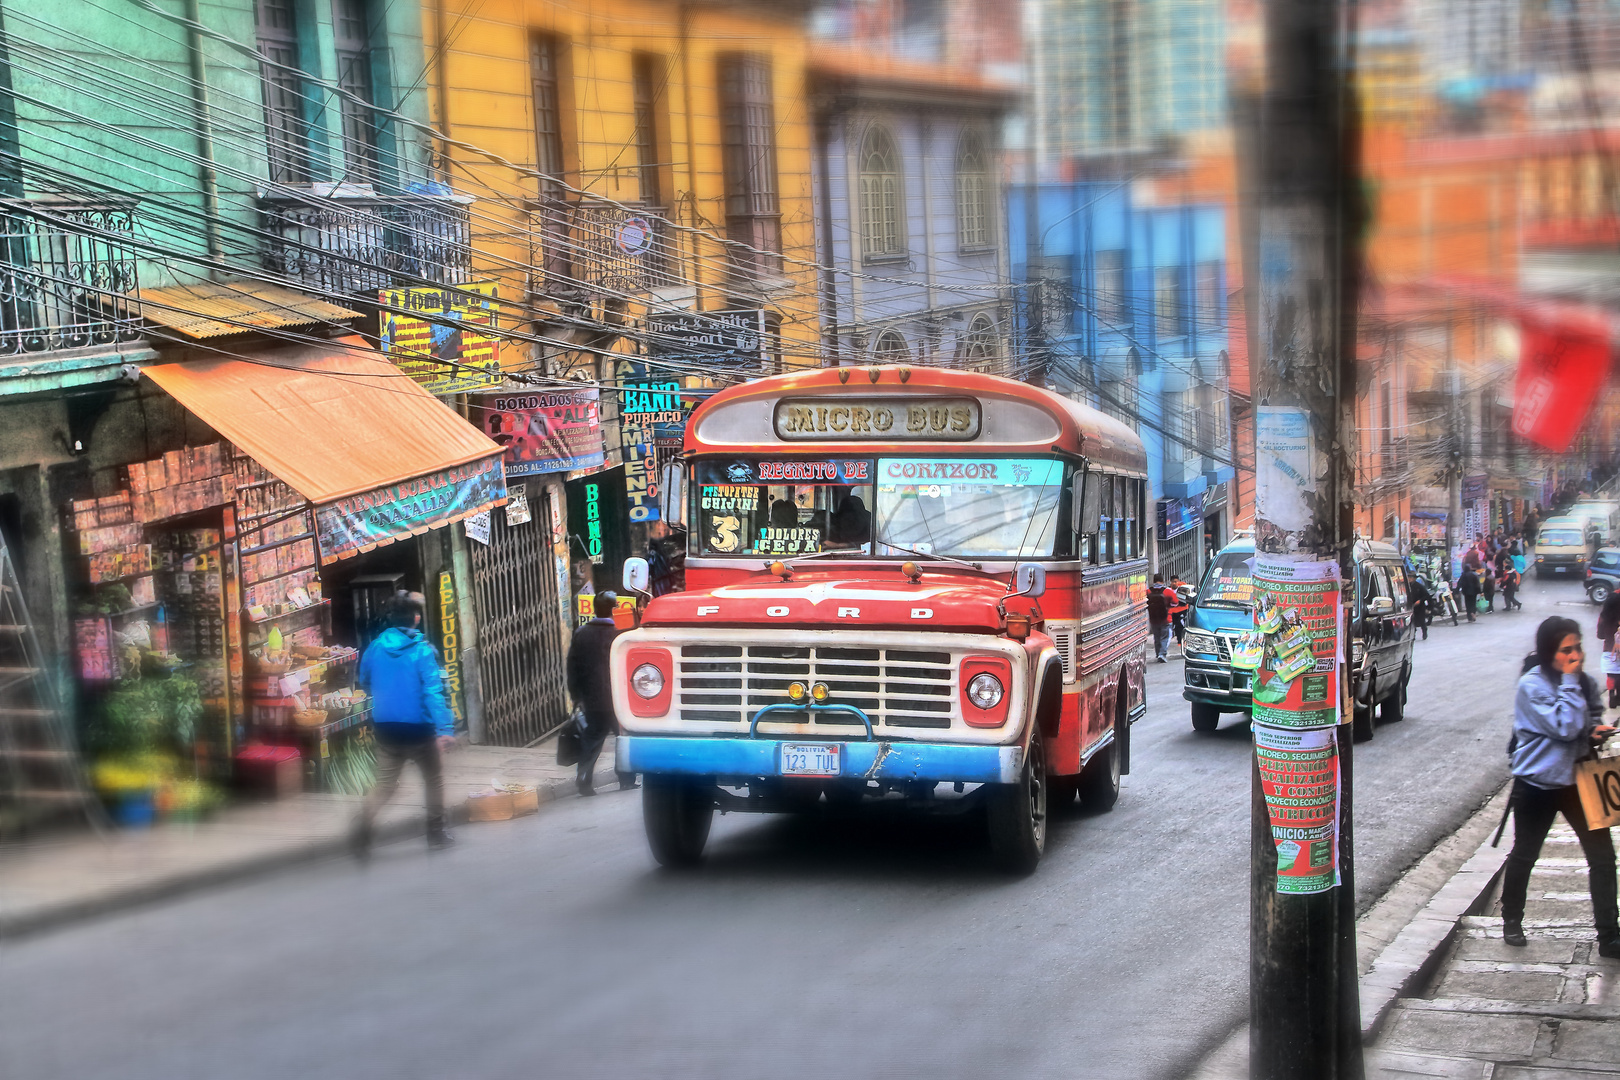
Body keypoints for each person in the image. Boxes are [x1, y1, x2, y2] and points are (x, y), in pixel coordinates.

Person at [1500, 617, 1619, 957]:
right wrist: (1570, 681)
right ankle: (1512, 920)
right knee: (1525, 853)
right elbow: (1565, 727)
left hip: (1581, 777)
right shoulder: (1533, 685)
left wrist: (1596, 729)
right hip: (1538, 782)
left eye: (1577, 648)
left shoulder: (1583, 681)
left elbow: (1591, 716)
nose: (1574, 656)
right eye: (1566, 650)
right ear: (1550, 651)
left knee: (1602, 857)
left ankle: (1609, 935)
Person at [352, 591, 457, 855]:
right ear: (416, 618)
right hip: (419, 730)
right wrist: (445, 729)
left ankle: (362, 828)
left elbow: (364, 679)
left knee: (385, 786)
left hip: (387, 728)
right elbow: (433, 692)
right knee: (434, 780)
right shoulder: (423, 651)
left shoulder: (375, 647)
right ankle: (436, 833)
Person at [566, 591, 637, 796]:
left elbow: (572, 667)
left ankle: (583, 777)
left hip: (592, 698)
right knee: (623, 736)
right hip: (618, 699)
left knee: (592, 736)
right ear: (613, 609)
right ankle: (626, 779)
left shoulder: (581, 633)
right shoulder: (621, 633)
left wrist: (576, 696)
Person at [1147, 574, 1172, 663]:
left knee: (1156, 637)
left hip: (1153, 619)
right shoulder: (1168, 591)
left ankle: (1158, 653)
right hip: (1165, 618)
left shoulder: (1148, 591)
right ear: (1162, 581)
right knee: (1164, 637)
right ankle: (1162, 654)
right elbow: (1175, 602)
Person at [1410, 573, 1434, 640]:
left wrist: (1420, 600)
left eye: (1411, 577)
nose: (1410, 579)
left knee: (1421, 620)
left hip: (1420, 607)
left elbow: (1426, 595)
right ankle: (1413, 635)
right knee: (1412, 621)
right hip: (1412, 606)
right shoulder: (1407, 586)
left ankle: (1424, 632)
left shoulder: (1419, 586)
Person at [1168, 575, 1191, 645]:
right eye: (1173, 582)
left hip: (1182, 610)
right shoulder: (1169, 590)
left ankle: (1180, 641)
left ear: (1178, 581)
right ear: (1170, 582)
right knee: (1174, 626)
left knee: (1180, 625)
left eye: (1176, 582)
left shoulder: (1183, 588)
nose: (1174, 583)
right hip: (1173, 611)